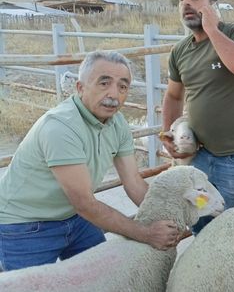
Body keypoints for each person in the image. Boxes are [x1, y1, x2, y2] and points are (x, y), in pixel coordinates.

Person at [0, 51, 179, 272]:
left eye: (123, 86)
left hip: (74, 217)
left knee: (103, 277)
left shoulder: (117, 122)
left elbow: (133, 181)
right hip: (26, 223)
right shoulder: (60, 127)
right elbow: (85, 203)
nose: (114, 94)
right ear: (80, 87)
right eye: (104, 83)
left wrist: (169, 218)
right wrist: (147, 234)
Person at [161, 0, 234, 234]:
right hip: (197, 156)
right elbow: (173, 96)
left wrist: (213, 29)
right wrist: (168, 136)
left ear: (213, 5)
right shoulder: (180, 51)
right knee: (201, 226)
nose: (187, 3)